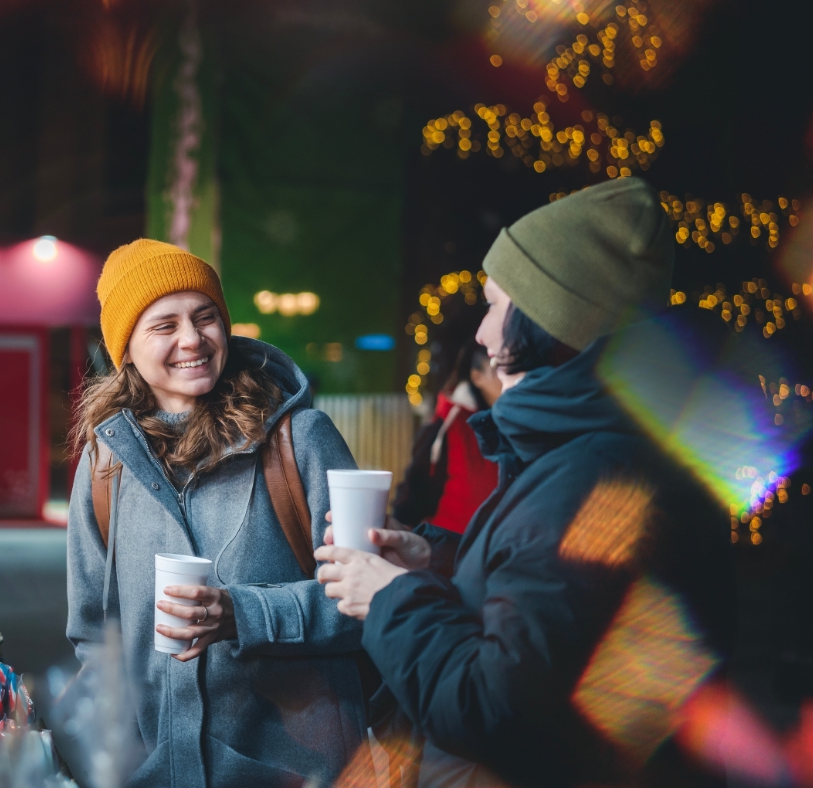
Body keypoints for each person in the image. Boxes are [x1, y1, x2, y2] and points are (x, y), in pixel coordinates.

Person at [314, 179, 735, 787]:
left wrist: (389, 599)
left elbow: (494, 707)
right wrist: (434, 561)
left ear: (550, 319)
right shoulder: (601, 450)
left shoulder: (598, 477)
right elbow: (549, 608)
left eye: (494, 305)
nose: (482, 335)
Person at [66, 239, 368, 787]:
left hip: (296, 771)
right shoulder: (104, 463)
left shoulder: (298, 442)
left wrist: (242, 613)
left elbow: (365, 604)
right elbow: (93, 632)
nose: (192, 339)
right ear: (126, 348)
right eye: (164, 325)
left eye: (206, 317)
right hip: (154, 771)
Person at [393, 341, 501, 534]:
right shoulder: (450, 423)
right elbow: (416, 486)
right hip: (449, 549)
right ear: (476, 377)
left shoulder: (517, 423)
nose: (508, 375)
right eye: (496, 367)